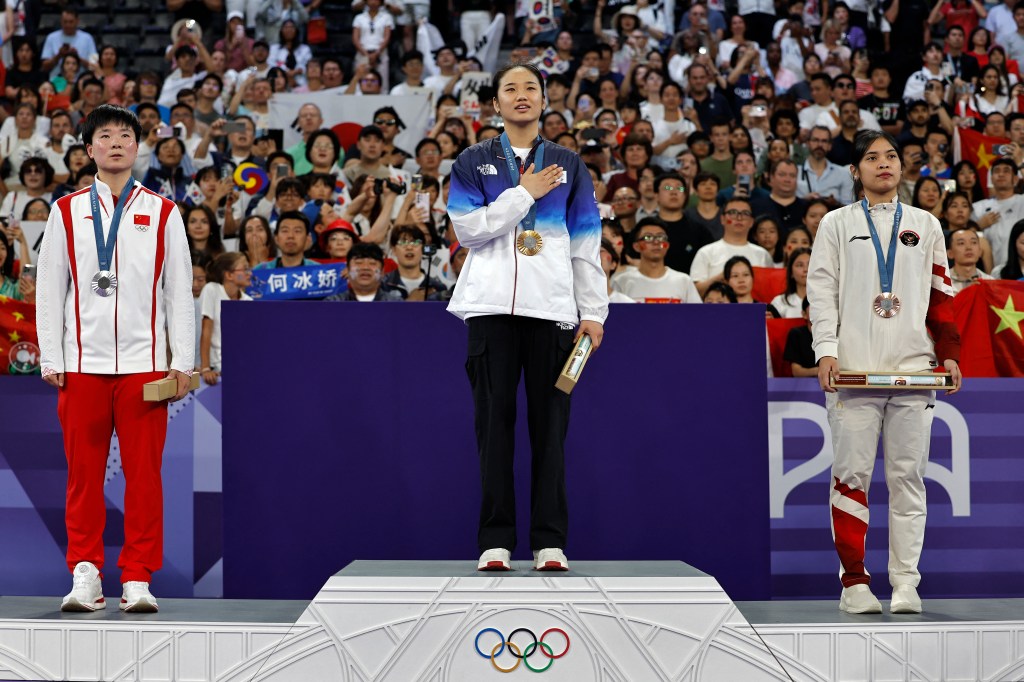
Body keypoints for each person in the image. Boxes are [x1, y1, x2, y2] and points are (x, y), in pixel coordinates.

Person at [446, 63, 607, 573]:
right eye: (510, 89)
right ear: (495, 104)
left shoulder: (569, 164)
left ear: (544, 100)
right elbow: (467, 231)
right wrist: (524, 193)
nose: (521, 96)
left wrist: (594, 312)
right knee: (492, 428)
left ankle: (548, 541)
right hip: (490, 310)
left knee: (550, 429)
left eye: (530, 89)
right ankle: (495, 541)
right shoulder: (473, 161)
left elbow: (586, 244)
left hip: (555, 313)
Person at [36, 105, 194, 613]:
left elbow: (179, 295)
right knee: (83, 475)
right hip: (82, 363)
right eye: (105, 136)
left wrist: (184, 362)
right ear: (89, 149)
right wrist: (50, 355)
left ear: (138, 146)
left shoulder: (163, 211)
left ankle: (138, 576)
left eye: (126, 135)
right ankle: (85, 572)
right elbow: (48, 289)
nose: (117, 143)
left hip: (146, 365)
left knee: (145, 476)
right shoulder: (65, 211)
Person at [807, 130, 962, 616]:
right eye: (871, 158)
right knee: (851, 476)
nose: (883, 164)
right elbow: (822, 290)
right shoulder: (835, 224)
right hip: (853, 370)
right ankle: (854, 581)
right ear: (856, 171)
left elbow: (941, 295)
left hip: (914, 370)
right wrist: (826, 351)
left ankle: (905, 583)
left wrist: (951, 351)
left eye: (891, 156)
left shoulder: (926, 223)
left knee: (908, 478)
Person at [611, 218, 700, 303]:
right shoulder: (621, 282)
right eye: (648, 237)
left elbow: (697, 315)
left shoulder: (684, 281)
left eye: (661, 237)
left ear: (667, 245)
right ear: (636, 246)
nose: (656, 242)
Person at [198, 252, 252, 386]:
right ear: (229, 275)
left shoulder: (249, 301)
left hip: (240, 368)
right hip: (214, 369)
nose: (249, 273)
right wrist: (206, 368)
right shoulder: (212, 290)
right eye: (244, 269)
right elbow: (206, 330)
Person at [948, 228, 994, 292]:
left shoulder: (990, 282)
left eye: (974, 242)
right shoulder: (942, 283)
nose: (968, 247)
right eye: (961, 243)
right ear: (950, 253)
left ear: (980, 252)